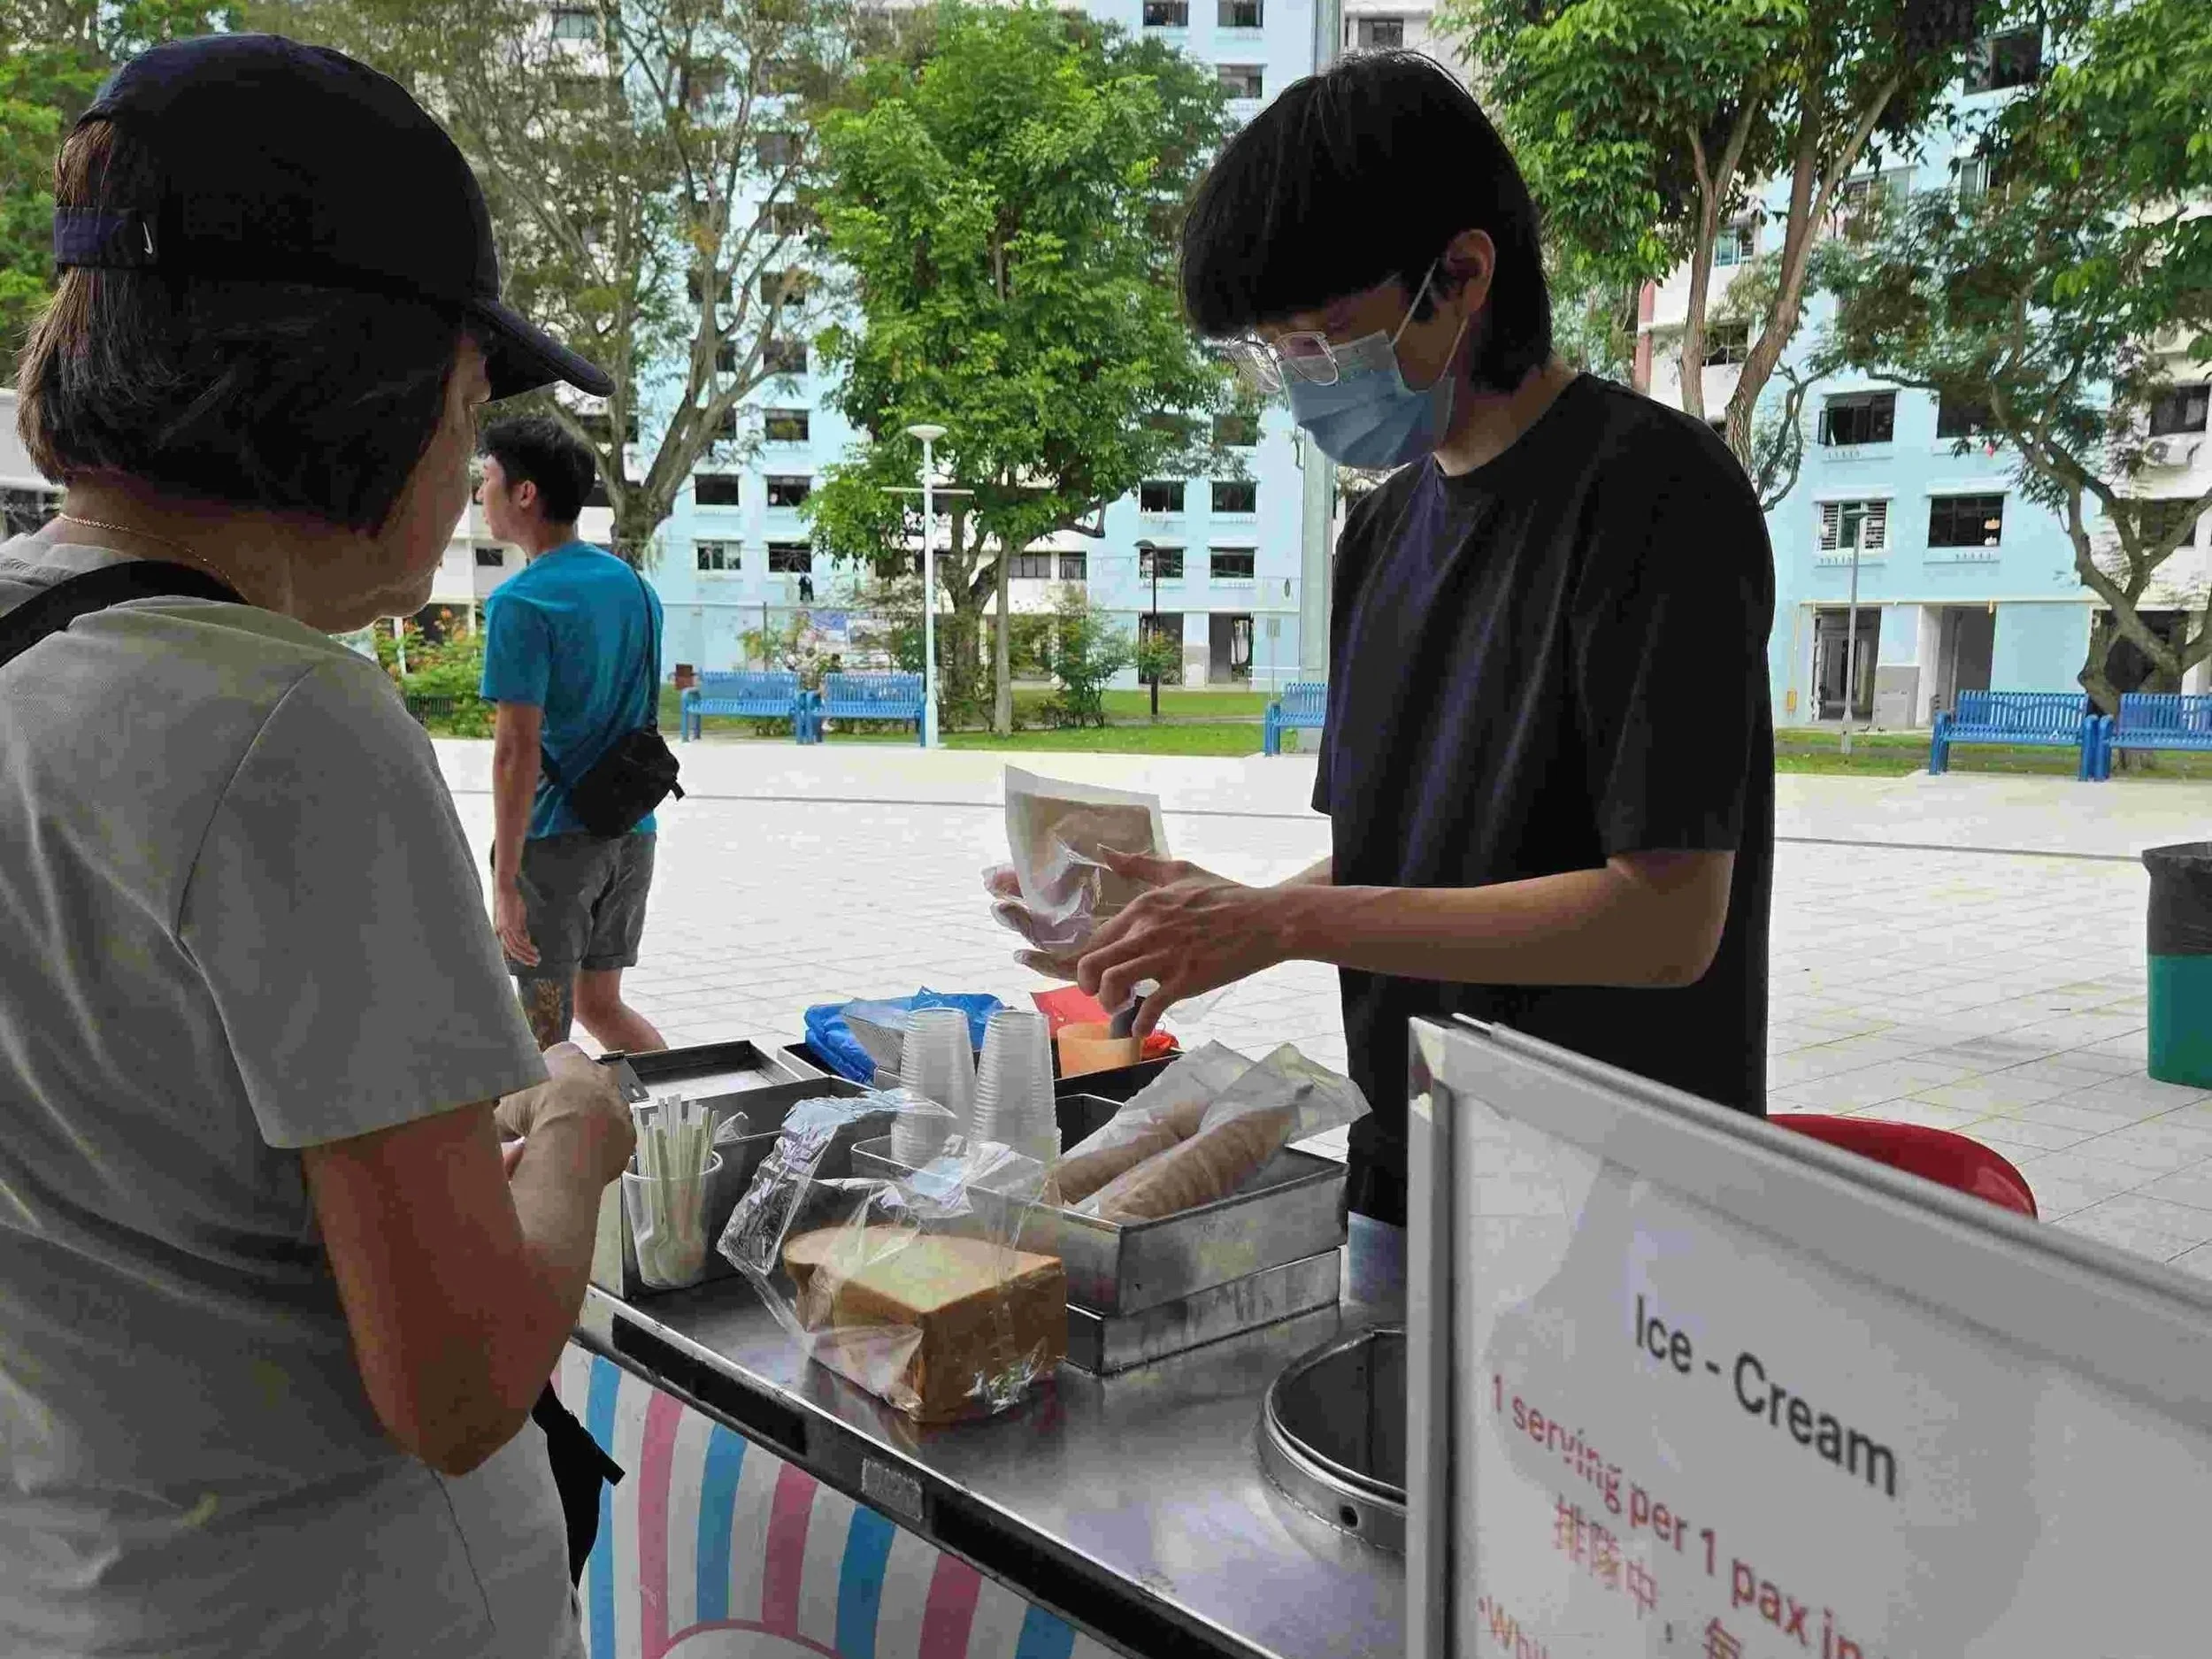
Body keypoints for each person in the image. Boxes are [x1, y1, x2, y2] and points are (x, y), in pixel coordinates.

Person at [1, 35, 634, 1657]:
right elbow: (459, 1385)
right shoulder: (285, 727)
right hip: (330, 1606)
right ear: (378, 389)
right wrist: (572, 1134)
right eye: (470, 403)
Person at [1065, 53, 1776, 1288]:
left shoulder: (1656, 497)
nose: (1304, 377)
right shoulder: (1382, 532)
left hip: (1623, 1204)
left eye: (1328, 334)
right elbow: (1399, 856)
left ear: (1464, 274)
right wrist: (1214, 922)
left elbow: (1667, 919)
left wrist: (1283, 920)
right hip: (1409, 1161)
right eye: (1277, 349)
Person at [478, 415, 671, 1053]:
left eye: (487, 480)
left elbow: (515, 752)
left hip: (556, 846)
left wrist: (505, 883)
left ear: (525, 493)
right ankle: (690, 1124)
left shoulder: (522, 602)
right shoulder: (639, 590)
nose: (480, 496)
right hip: (631, 835)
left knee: (540, 1040)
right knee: (601, 1006)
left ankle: (537, 1153)